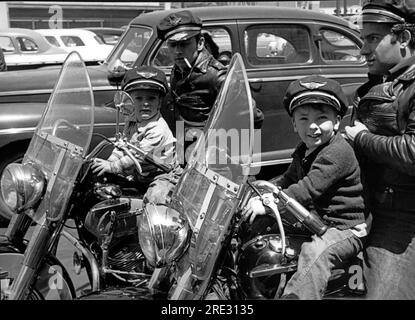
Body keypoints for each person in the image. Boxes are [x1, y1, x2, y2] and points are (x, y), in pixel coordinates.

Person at [243, 75, 370, 300]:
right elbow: (287, 180)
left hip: (345, 228)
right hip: (317, 220)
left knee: (316, 253)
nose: (312, 126)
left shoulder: (337, 152)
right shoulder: (304, 150)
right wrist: (258, 190)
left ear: (337, 121)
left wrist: (271, 201)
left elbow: (308, 188)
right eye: (303, 118)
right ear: (293, 123)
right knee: (261, 228)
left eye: (322, 118)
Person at [345, 0, 415, 299]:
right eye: (363, 39)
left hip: (402, 216)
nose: (362, 49)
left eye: (372, 38)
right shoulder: (380, 82)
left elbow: (412, 153)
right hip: (365, 206)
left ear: (404, 39)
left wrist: (362, 139)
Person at [156, 10, 263, 160]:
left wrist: (223, 151)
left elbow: (253, 118)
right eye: (172, 45)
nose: (178, 51)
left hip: (212, 159)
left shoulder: (217, 76)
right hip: (185, 154)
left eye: (184, 44)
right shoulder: (179, 70)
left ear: (200, 43)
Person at [91, 65, 178, 196]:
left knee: (154, 199)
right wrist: (109, 161)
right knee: (97, 177)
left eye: (151, 98)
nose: (145, 103)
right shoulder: (132, 119)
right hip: (140, 173)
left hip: (161, 174)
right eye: (139, 98)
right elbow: (123, 146)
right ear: (129, 101)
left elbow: (137, 156)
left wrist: (111, 167)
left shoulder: (157, 129)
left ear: (160, 102)